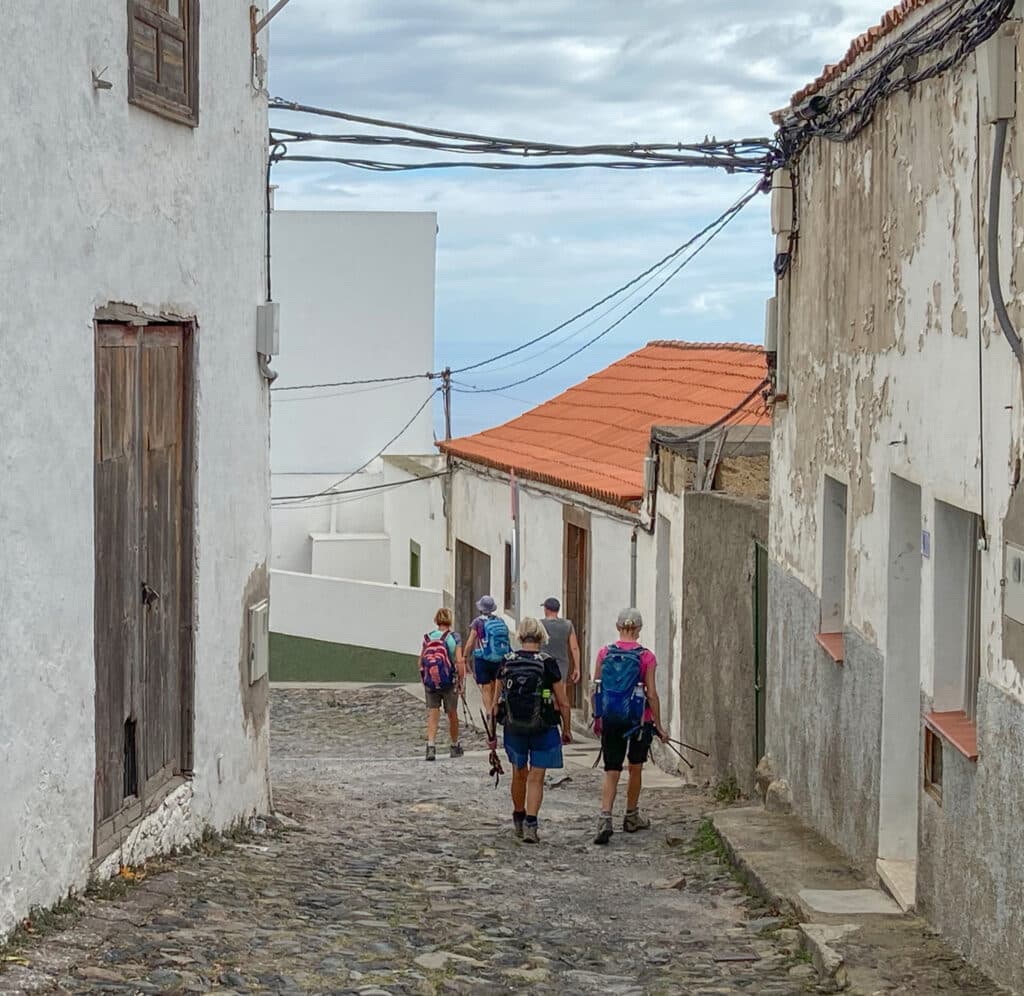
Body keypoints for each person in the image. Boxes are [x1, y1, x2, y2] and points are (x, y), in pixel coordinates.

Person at [592, 608, 668, 845]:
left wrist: (598, 718)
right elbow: (652, 694)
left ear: (618, 627)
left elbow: (596, 687)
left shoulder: (604, 653)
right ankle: (631, 815)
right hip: (638, 720)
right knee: (635, 768)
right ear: (639, 629)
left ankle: (605, 817)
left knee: (611, 769)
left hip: (611, 719)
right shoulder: (646, 657)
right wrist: (659, 724)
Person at [495, 617, 573, 843]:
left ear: (520, 635)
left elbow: (495, 703)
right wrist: (566, 729)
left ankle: (518, 818)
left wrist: (492, 733)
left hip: (514, 727)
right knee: (536, 777)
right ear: (541, 636)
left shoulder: (507, 660)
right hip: (544, 726)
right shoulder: (547, 662)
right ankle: (531, 824)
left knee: (519, 773)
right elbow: (564, 702)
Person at [419, 608, 466, 762]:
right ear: (450, 620)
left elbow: (421, 662)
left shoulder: (428, 638)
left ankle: (431, 746)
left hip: (431, 682)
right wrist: (461, 680)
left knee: (433, 713)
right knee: (452, 713)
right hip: (449, 681)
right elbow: (459, 661)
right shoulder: (454, 638)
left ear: (436, 620)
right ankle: (454, 746)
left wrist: (424, 679)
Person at [463, 595, 511, 714]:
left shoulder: (477, 622)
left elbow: (470, 641)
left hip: (483, 658)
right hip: (499, 658)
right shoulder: (500, 621)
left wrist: (465, 656)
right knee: (496, 684)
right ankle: (495, 709)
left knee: (485, 687)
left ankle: (489, 712)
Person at [540, 597, 581, 688]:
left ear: (546, 609)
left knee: (543, 691)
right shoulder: (567, 625)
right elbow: (574, 648)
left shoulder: (539, 625)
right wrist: (577, 668)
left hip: (543, 664)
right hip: (561, 665)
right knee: (561, 694)